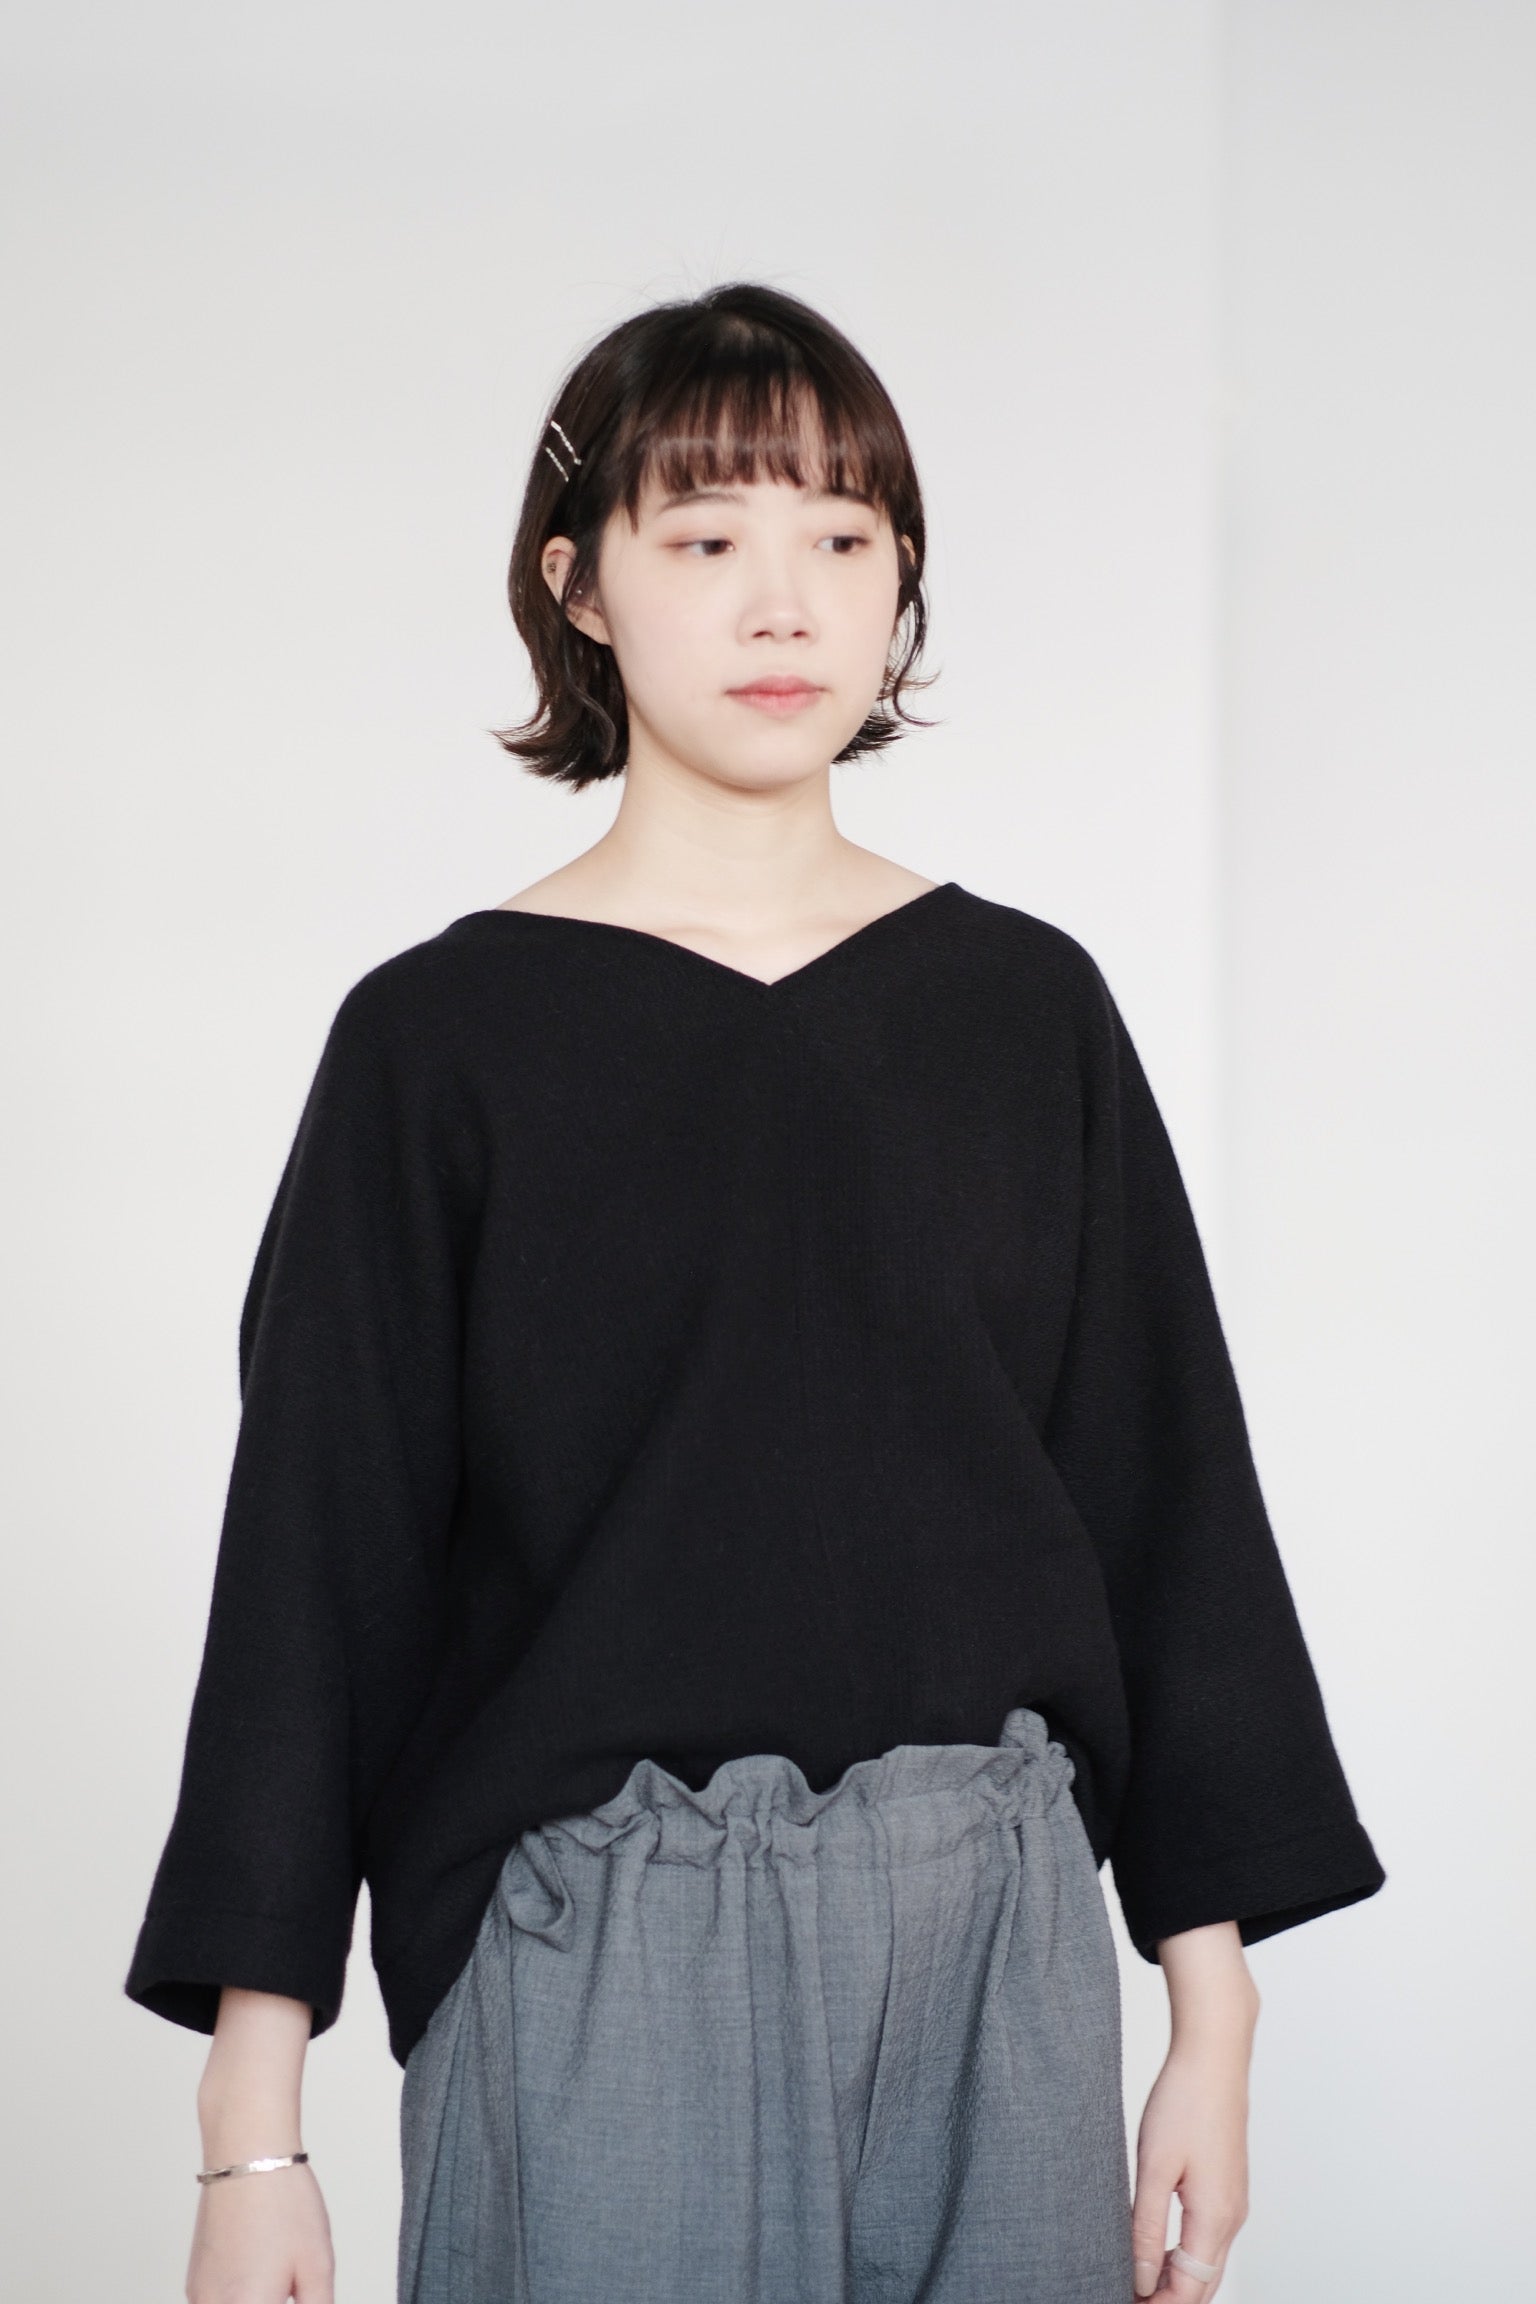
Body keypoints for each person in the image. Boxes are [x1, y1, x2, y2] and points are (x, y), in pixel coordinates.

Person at [125, 281, 1386, 2304]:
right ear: (580, 586)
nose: (783, 603)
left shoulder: (1024, 1011)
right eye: (706, 538)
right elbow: (313, 1570)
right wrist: (249, 2134)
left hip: (998, 1947)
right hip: (599, 1947)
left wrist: (1210, 2023)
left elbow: (1168, 1512)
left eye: (843, 538)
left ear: (900, 588)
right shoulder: (440, 1044)